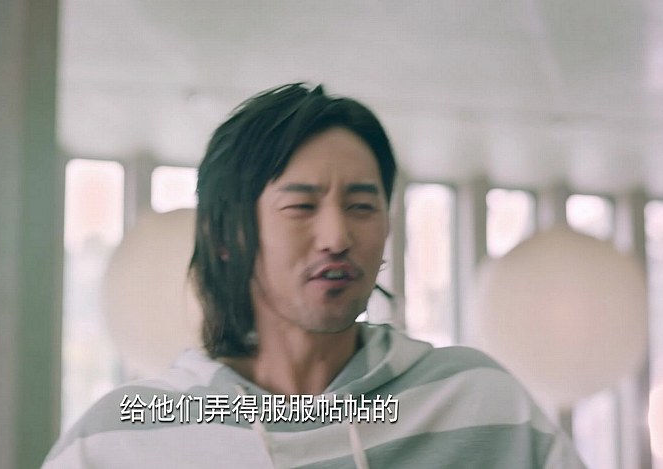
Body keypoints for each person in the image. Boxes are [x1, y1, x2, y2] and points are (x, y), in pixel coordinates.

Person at [43, 83, 585, 468]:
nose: (337, 236)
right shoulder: (120, 440)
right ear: (226, 235)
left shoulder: (479, 403)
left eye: (362, 206)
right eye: (301, 206)